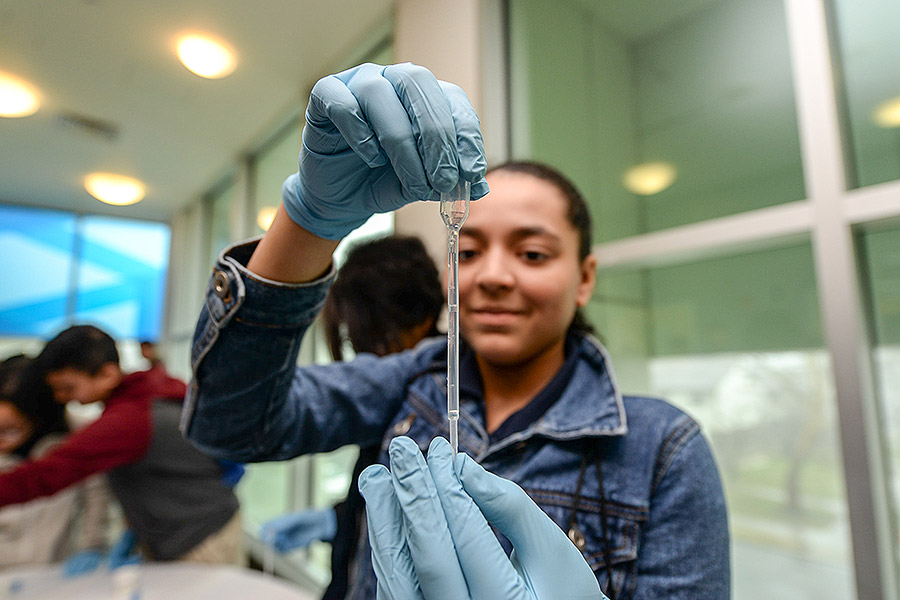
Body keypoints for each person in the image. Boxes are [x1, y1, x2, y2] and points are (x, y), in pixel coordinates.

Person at [182, 62, 729, 599]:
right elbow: (230, 426)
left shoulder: (660, 450)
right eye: (467, 252)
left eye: (532, 253)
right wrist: (307, 224)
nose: (493, 277)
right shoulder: (411, 379)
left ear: (584, 278)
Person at [260, 235, 444, 600]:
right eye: (357, 341)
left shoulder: (437, 398)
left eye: (380, 338)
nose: (368, 358)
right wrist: (337, 519)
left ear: (422, 318)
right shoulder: (391, 393)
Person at [0, 325, 244, 565]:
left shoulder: (128, 419)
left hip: (199, 537)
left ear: (107, 375)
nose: (61, 398)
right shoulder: (150, 388)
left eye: (68, 388)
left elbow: (48, 474)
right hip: (189, 526)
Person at [0, 355, 108, 568]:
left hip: (56, 568)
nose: (2, 442)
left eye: (11, 430)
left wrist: (93, 545)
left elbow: (97, 498)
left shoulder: (75, 439)